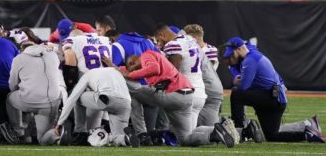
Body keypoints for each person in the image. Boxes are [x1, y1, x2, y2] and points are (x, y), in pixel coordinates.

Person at [102, 50, 239, 148]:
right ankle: (215, 132)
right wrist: (115, 67)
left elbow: (153, 68)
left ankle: (142, 133)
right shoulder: (154, 60)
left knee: (135, 90)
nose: (131, 70)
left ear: (133, 60)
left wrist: (127, 74)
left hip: (172, 94)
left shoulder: (146, 54)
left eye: (131, 66)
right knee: (185, 138)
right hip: (186, 97)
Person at [224, 37, 326, 143]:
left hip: (271, 99)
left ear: (240, 49)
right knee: (272, 136)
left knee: (237, 93)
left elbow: (244, 86)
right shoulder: (252, 55)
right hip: (275, 99)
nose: (231, 57)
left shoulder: (250, 60)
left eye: (232, 53)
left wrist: (235, 81)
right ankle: (307, 134)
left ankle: (238, 131)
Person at [5, 40, 66, 145]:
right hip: (51, 103)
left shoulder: (19, 58)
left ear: (22, 50)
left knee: (10, 97)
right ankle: (59, 133)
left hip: (28, 100)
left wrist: (23, 88)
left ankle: (19, 132)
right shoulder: (52, 55)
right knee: (43, 140)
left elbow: (12, 84)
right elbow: (61, 54)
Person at [55, 67, 134, 147]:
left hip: (106, 99)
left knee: (78, 97)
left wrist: (59, 123)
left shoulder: (87, 75)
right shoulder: (114, 71)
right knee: (117, 138)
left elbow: (72, 98)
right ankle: (126, 138)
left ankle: (80, 133)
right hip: (126, 103)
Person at [154, 25, 207, 126]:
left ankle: (213, 134)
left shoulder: (173, 45)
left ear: (161, 34)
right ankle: (212, 134)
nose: (159, 43)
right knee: (189, 135)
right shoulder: (189, 39)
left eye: (158, 40)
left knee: (183, 136)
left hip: (186, 93)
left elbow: (173, 72)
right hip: (200, 92)